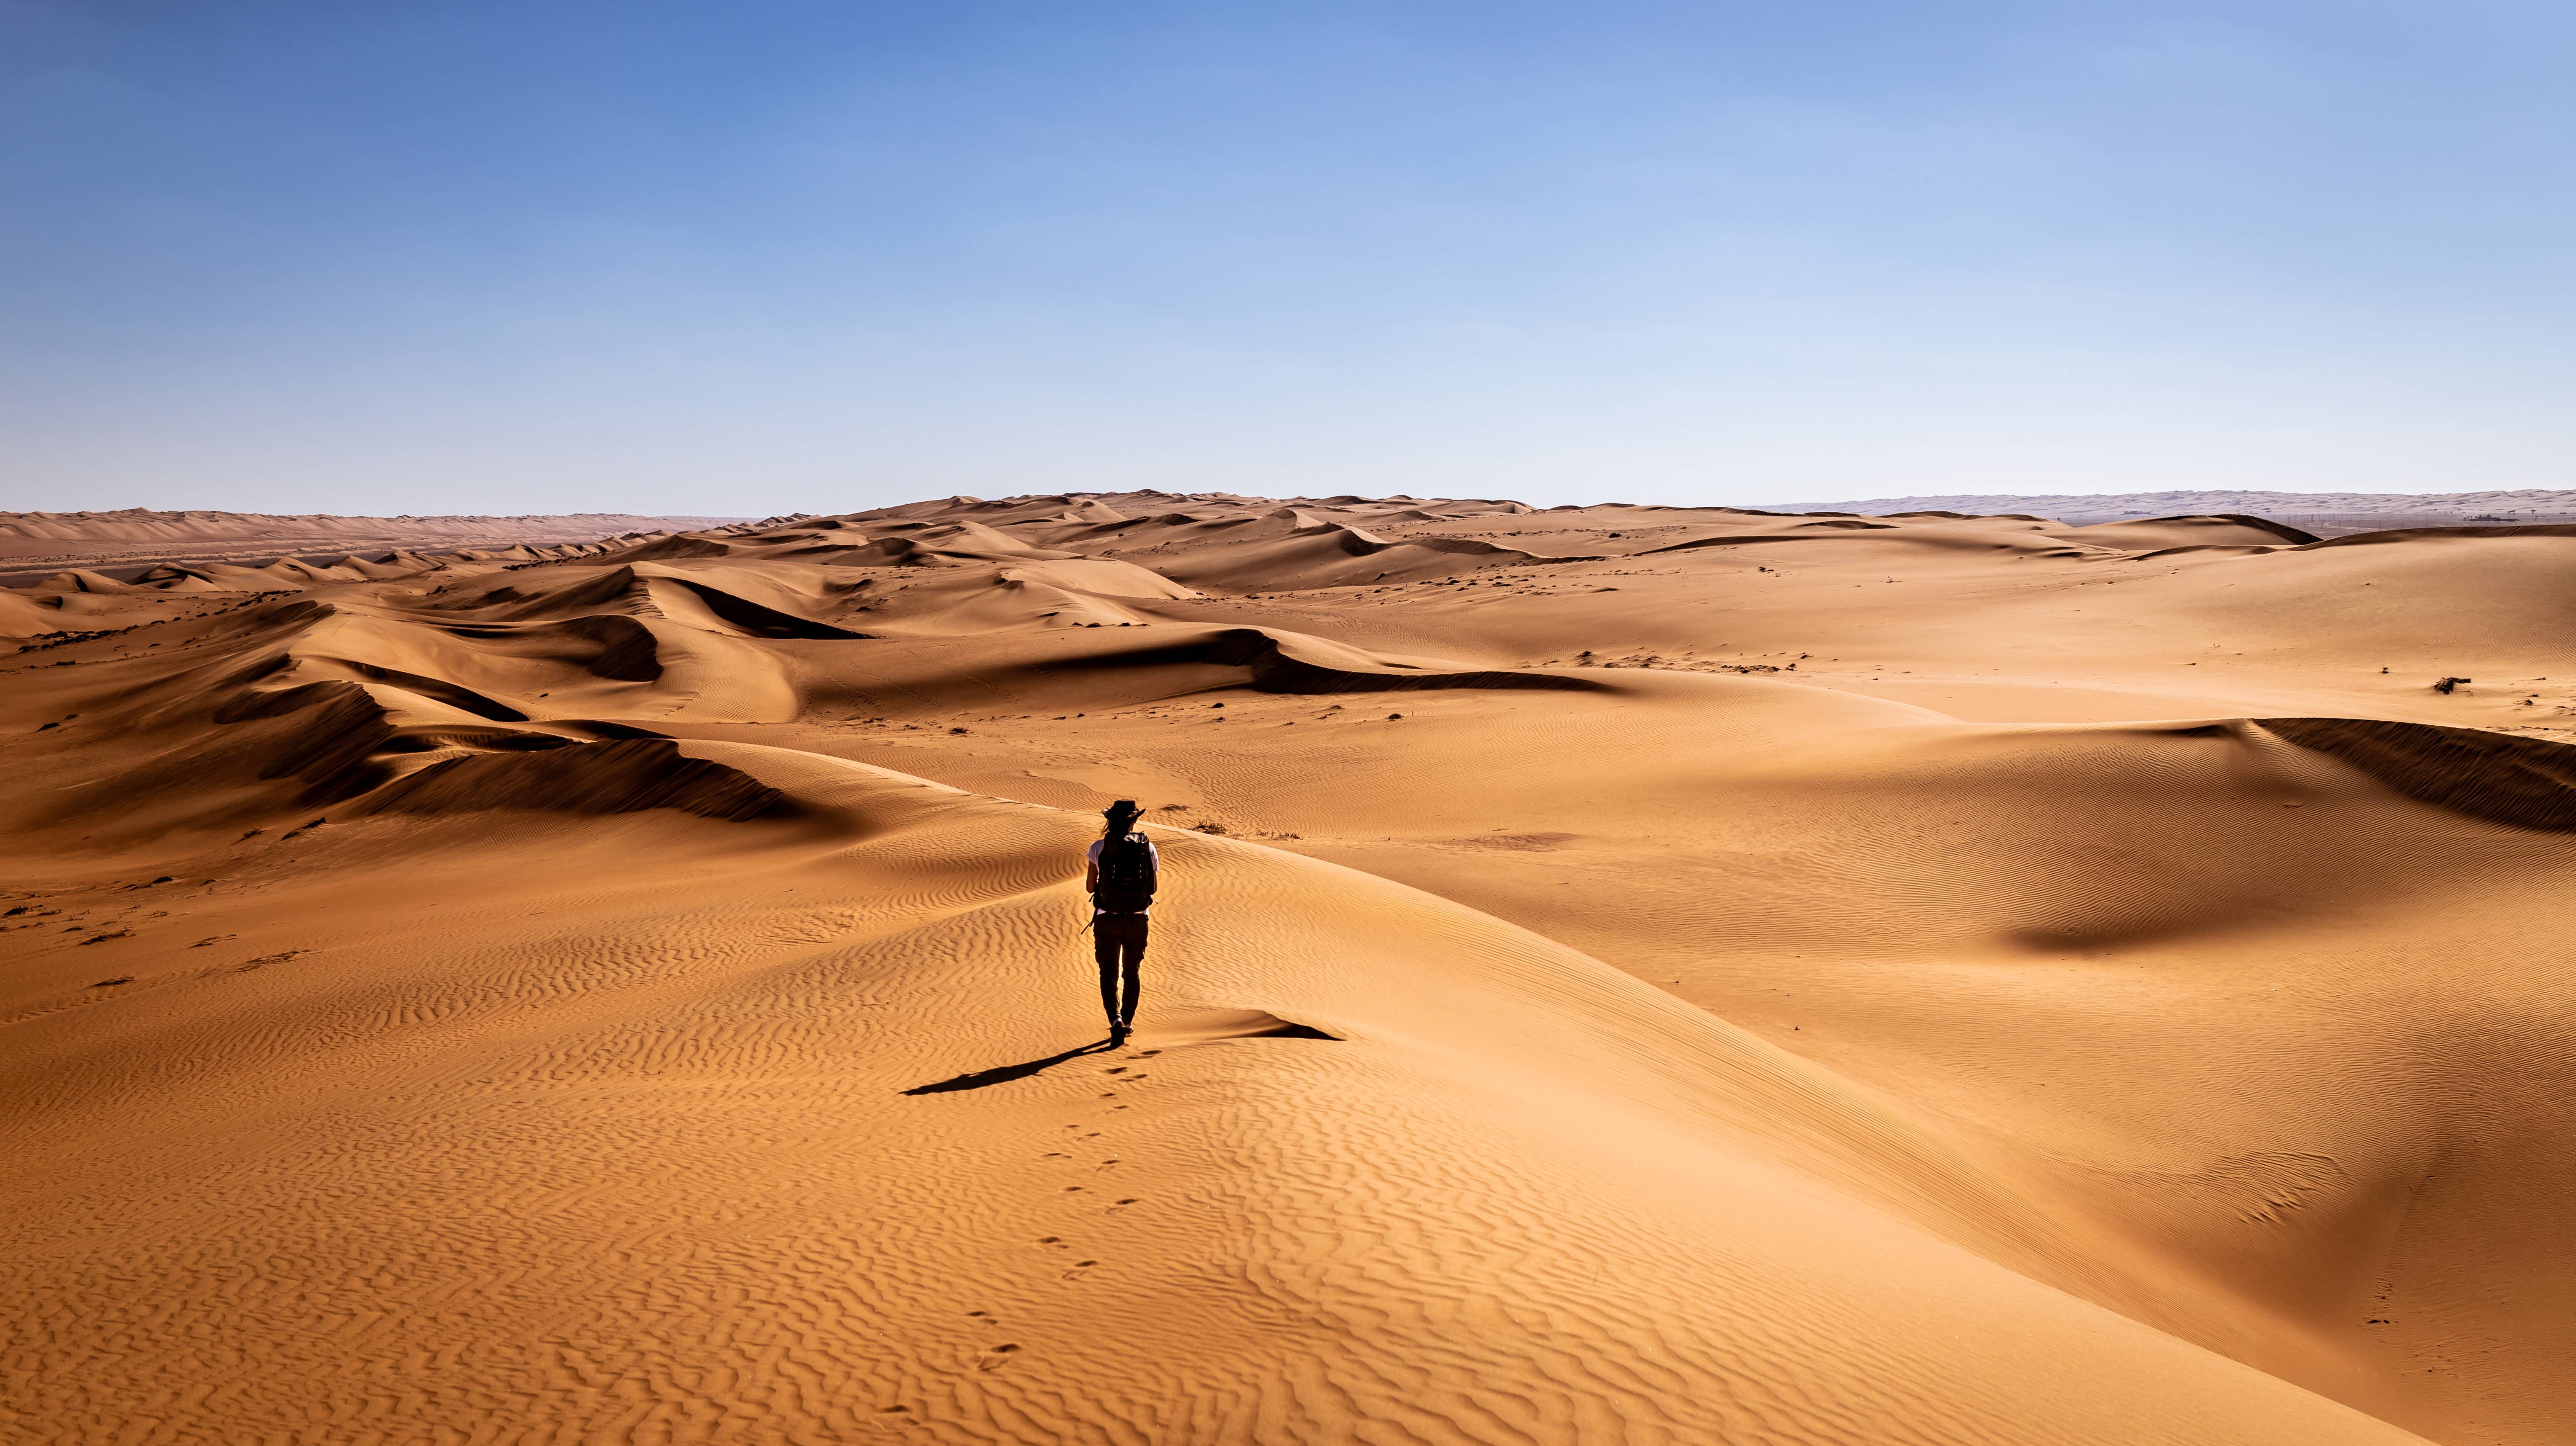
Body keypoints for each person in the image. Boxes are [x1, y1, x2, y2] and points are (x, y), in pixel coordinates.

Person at [1086, 800, 1157, 1040]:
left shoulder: (1098, 847)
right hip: (1138, 920)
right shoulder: (1148, 847)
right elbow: (1154, 888)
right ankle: (1127, 1021)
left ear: (1110, 822)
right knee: (1132, 972)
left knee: (1109, 973)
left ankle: (1115, 1019)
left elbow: (1089, 888)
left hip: (1108, 918)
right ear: (1134, 821)